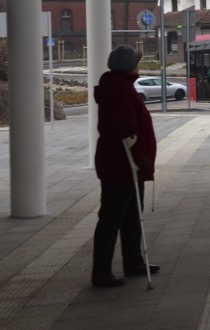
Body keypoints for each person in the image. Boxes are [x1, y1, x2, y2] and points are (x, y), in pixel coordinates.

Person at [91, 45, 159, 287]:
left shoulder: (120, 86)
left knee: (131, 213)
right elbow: (126, 128)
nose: (139, 67)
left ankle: (133, 260)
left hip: (125, 164)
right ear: (129, 66)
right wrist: (140, 157)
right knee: (111, 217)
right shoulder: (120, 90)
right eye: (137, 63)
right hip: (121, 164)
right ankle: (101, 271)